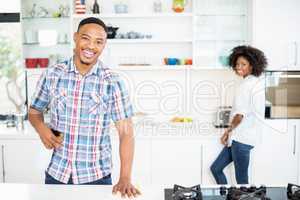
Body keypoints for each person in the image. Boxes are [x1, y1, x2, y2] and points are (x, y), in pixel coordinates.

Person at [28, 17, 141, 197]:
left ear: (104, 46)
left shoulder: (113, 82)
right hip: (56, 175)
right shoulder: (52, 75)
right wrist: (42, 128)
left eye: (98, 42)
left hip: (97, 178)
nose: (91, 46)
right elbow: (34, 112)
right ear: (75, 37)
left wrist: (125, 177)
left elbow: (126, 132)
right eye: (85, 38)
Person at [210, 45, 267, 184]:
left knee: (242, 181)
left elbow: (239, 115)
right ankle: (226, 196)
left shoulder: (245, 86)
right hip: (242, 138)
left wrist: (227, 131)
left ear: (252, 66)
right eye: (237, 64)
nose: (239, 67)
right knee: (216, 168)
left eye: (243, 64)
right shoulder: (256, 83)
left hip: (241, 139)